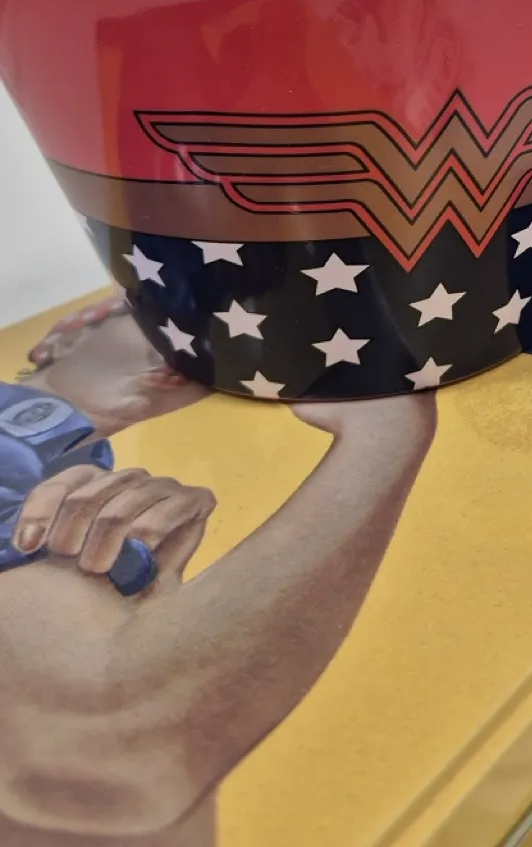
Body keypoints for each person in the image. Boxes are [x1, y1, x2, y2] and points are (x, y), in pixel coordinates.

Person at [0, 295, 437, 845]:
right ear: (64, 332)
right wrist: (381, 443)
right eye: (171, 323)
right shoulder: (16, 454)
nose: (197, 353)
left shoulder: (90, 484)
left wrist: (157, 607)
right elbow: (96, 763)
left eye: (233, 350)